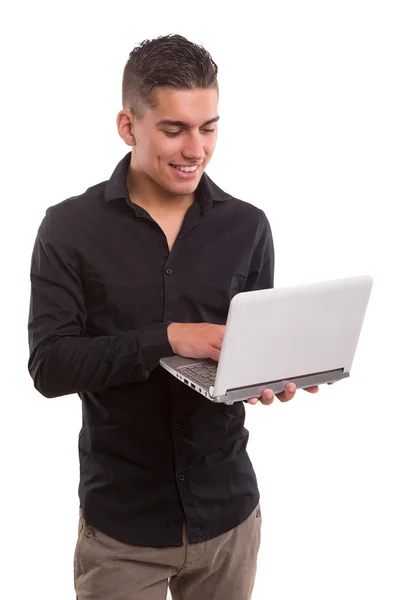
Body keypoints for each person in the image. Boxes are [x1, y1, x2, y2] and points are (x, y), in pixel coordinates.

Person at [28, 33, 319, 600]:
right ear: (127, 125)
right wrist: (165, 340)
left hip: (230, 519)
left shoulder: (248, 227)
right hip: (122, 530)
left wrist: (266, 379)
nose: (196, 149)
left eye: (209, 127)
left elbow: (243, 352)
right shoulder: (68, 229)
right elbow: (49, 367)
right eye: (174, 129)